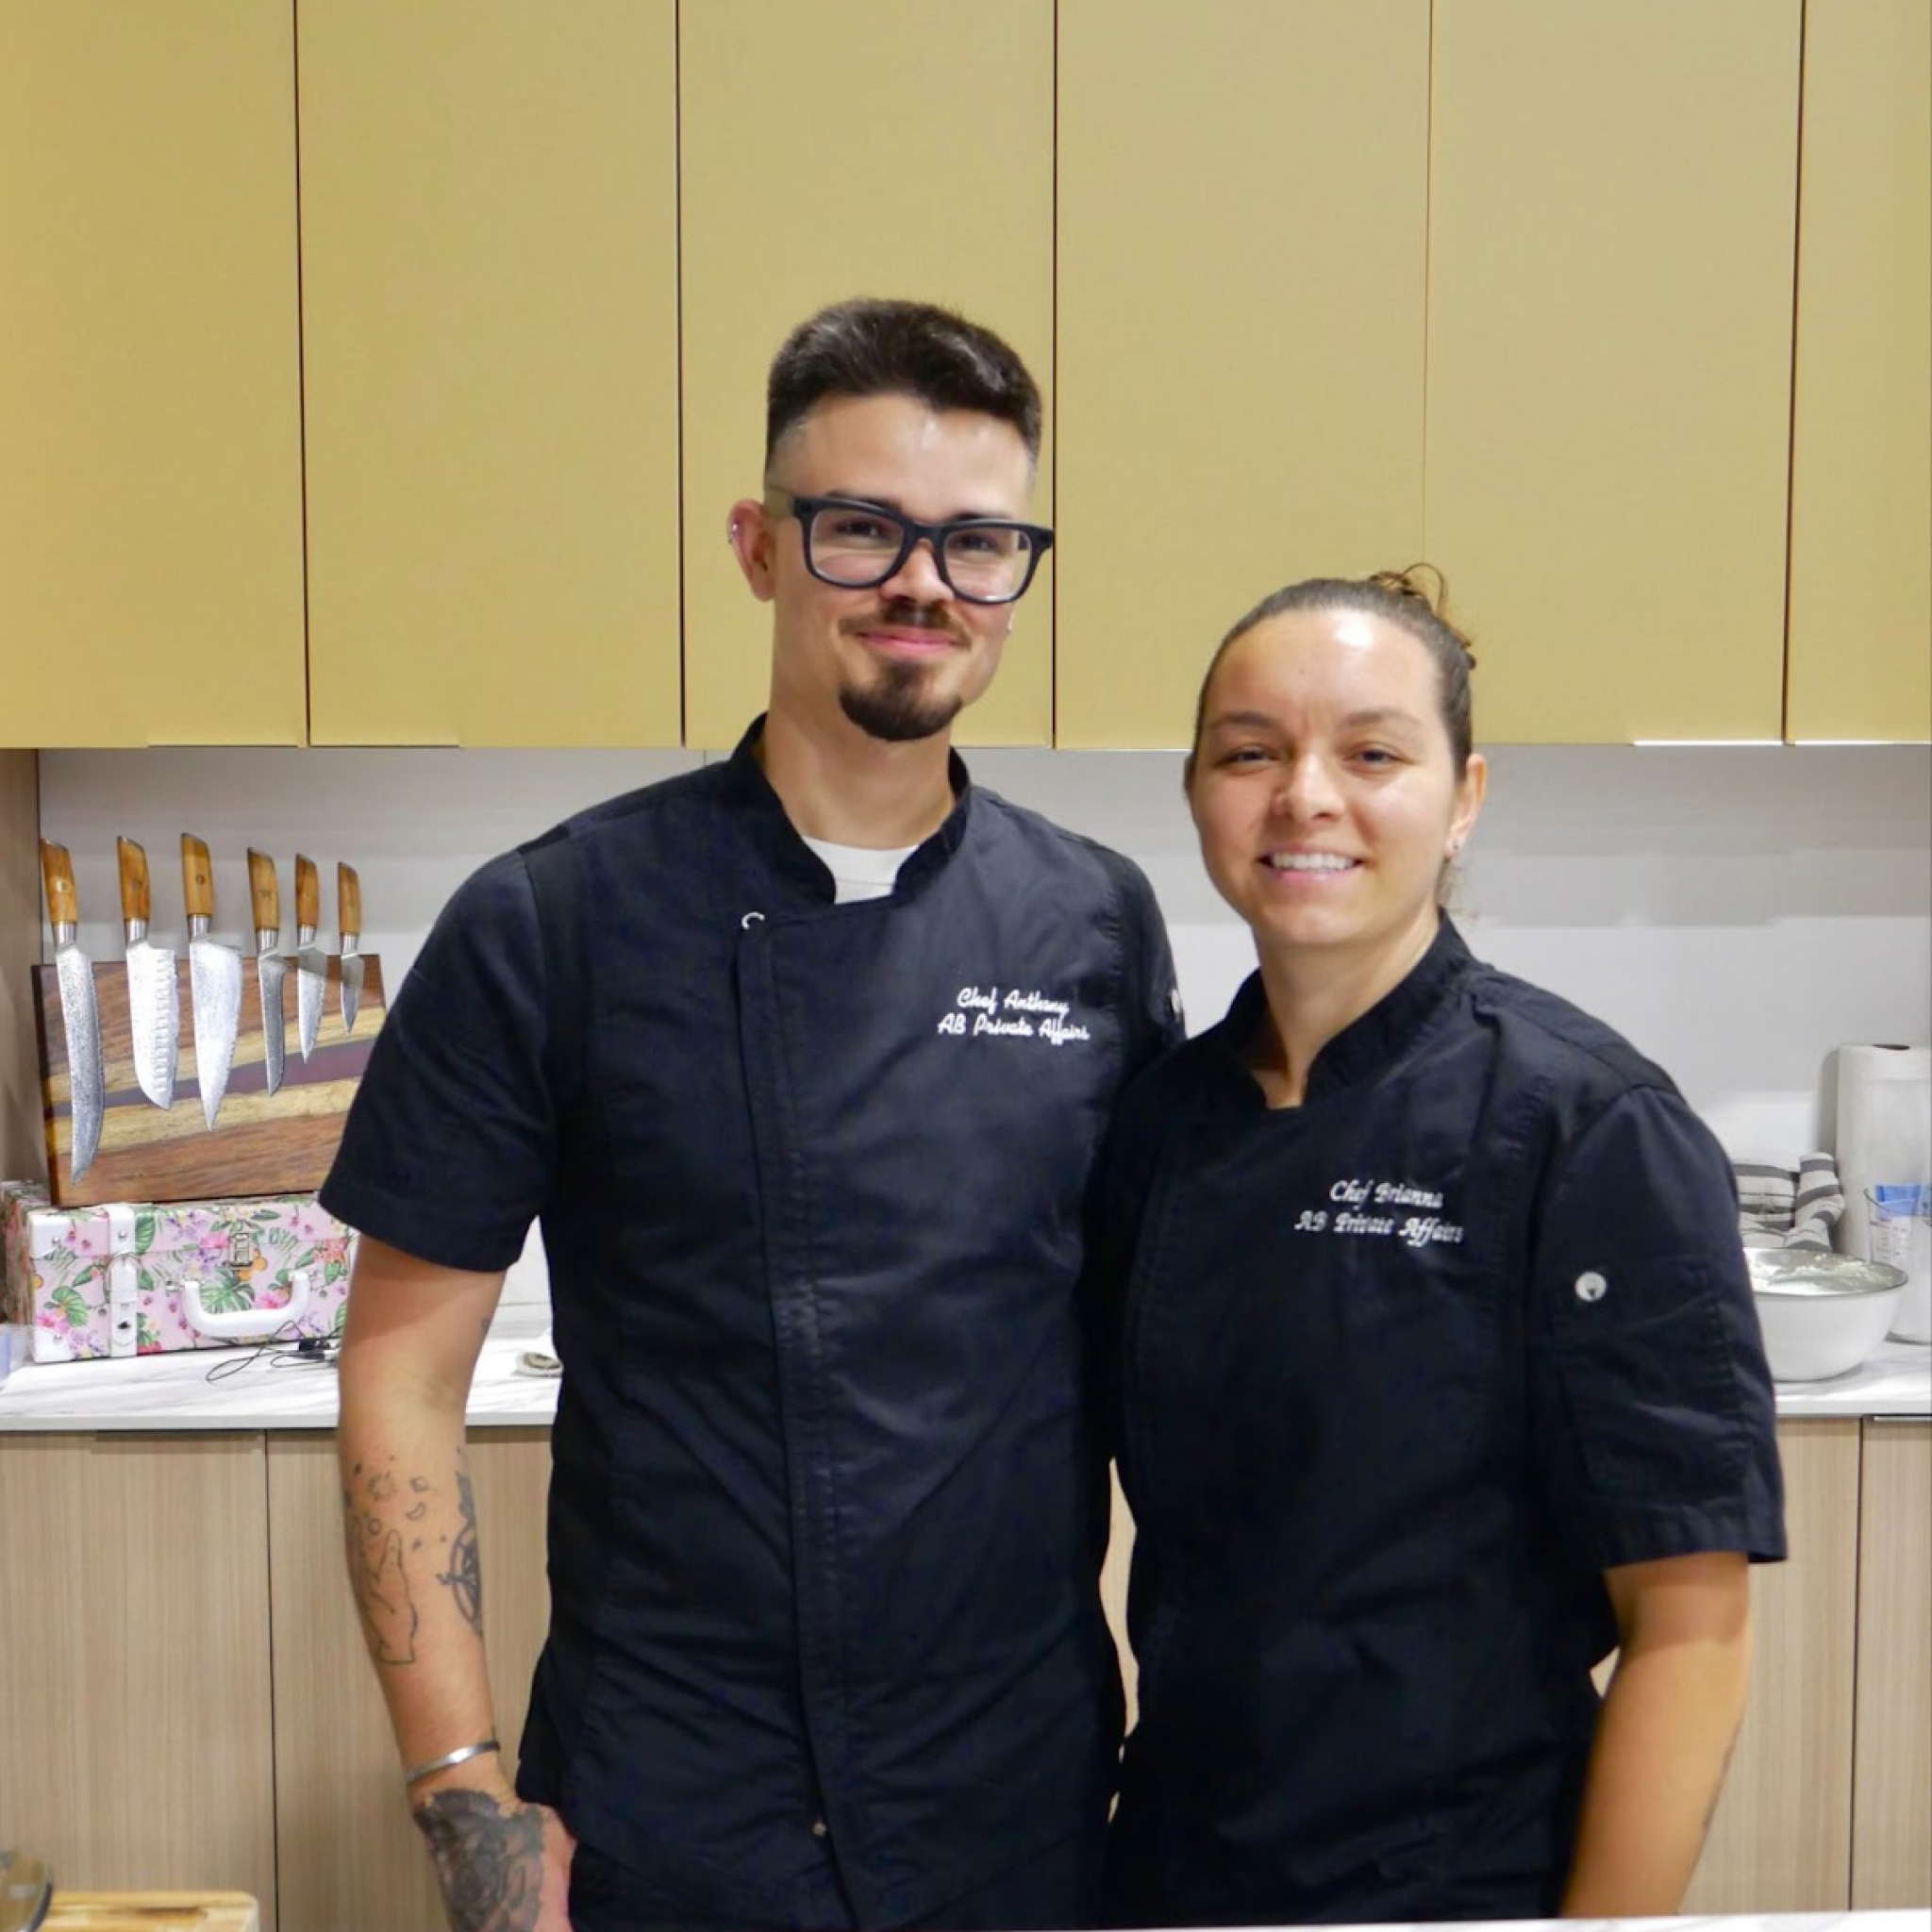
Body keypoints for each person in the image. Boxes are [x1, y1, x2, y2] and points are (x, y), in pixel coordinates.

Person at [322, 297, 1183, 1932]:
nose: (924, 583)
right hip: (667, 1806)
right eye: (862, 529)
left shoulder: (1094, 925)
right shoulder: (552, 923)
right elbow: (401, 1376)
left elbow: (1154, 1347)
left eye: (980, 541)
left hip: (1015, 1800)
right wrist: (466, 1801)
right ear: (759, 545)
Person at [1087, 569, 1786, 1924]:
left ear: (1465, 795)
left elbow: (1691, 1631)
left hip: (1456, 1885)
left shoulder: (1585, 1126)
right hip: (1171, 1863)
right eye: (1251, 751)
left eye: (1372, 752)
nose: (1305, 796)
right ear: (1195, 791)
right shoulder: (1163, 1120)